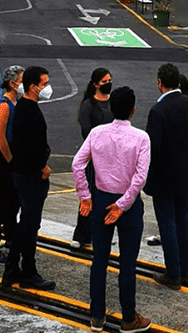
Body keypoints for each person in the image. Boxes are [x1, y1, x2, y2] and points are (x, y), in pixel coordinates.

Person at [73, 86, 151, 333]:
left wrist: (85, 196)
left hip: (100, 198)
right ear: (133, 110)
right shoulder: (141, 138)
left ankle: (97, 316)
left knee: (99, 259)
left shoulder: (97, 133)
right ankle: (129, 318)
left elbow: (77, 164)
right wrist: (122, 205)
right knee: (127, 263)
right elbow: (140, 177)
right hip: (127, 204)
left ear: (111, 108)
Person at [144, 64, 188, 290]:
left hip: (163, 178)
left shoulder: (158, 111)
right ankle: (186, 268)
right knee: (184, 220)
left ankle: (172, 273)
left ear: (160, 82)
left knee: (167, 223)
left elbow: (153, 147)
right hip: (185, 176)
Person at [1, 66, 56, 290]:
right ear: (33, 87)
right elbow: (29, 147)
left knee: (26, 223)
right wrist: (42, 167)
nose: (47, 88)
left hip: (23, 172)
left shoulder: (24, 107)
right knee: (30, 225)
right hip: (30, 175)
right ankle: (27, 271)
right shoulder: (29, 111)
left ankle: (12, 269)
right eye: (44, 84)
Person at [0, 65, 24, 263]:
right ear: (12, 83)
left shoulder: (17, 103)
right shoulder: (4, 105)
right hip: (4, 160)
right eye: (22, 80)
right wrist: (10, 161)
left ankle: (10, 237)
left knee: (12, 202)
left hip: (12, 159)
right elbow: (0, 137)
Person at [71, 68, 114, 249]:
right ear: (96, 84)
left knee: (107, 197)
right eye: (104, 81)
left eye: (109, 80)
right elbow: (86, 132)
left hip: (111, 158)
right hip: (94, 157)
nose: (108, 84)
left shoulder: (113, 103)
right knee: (88, 195)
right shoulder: (88, 105)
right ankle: (82, 235)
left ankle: (102, 234)